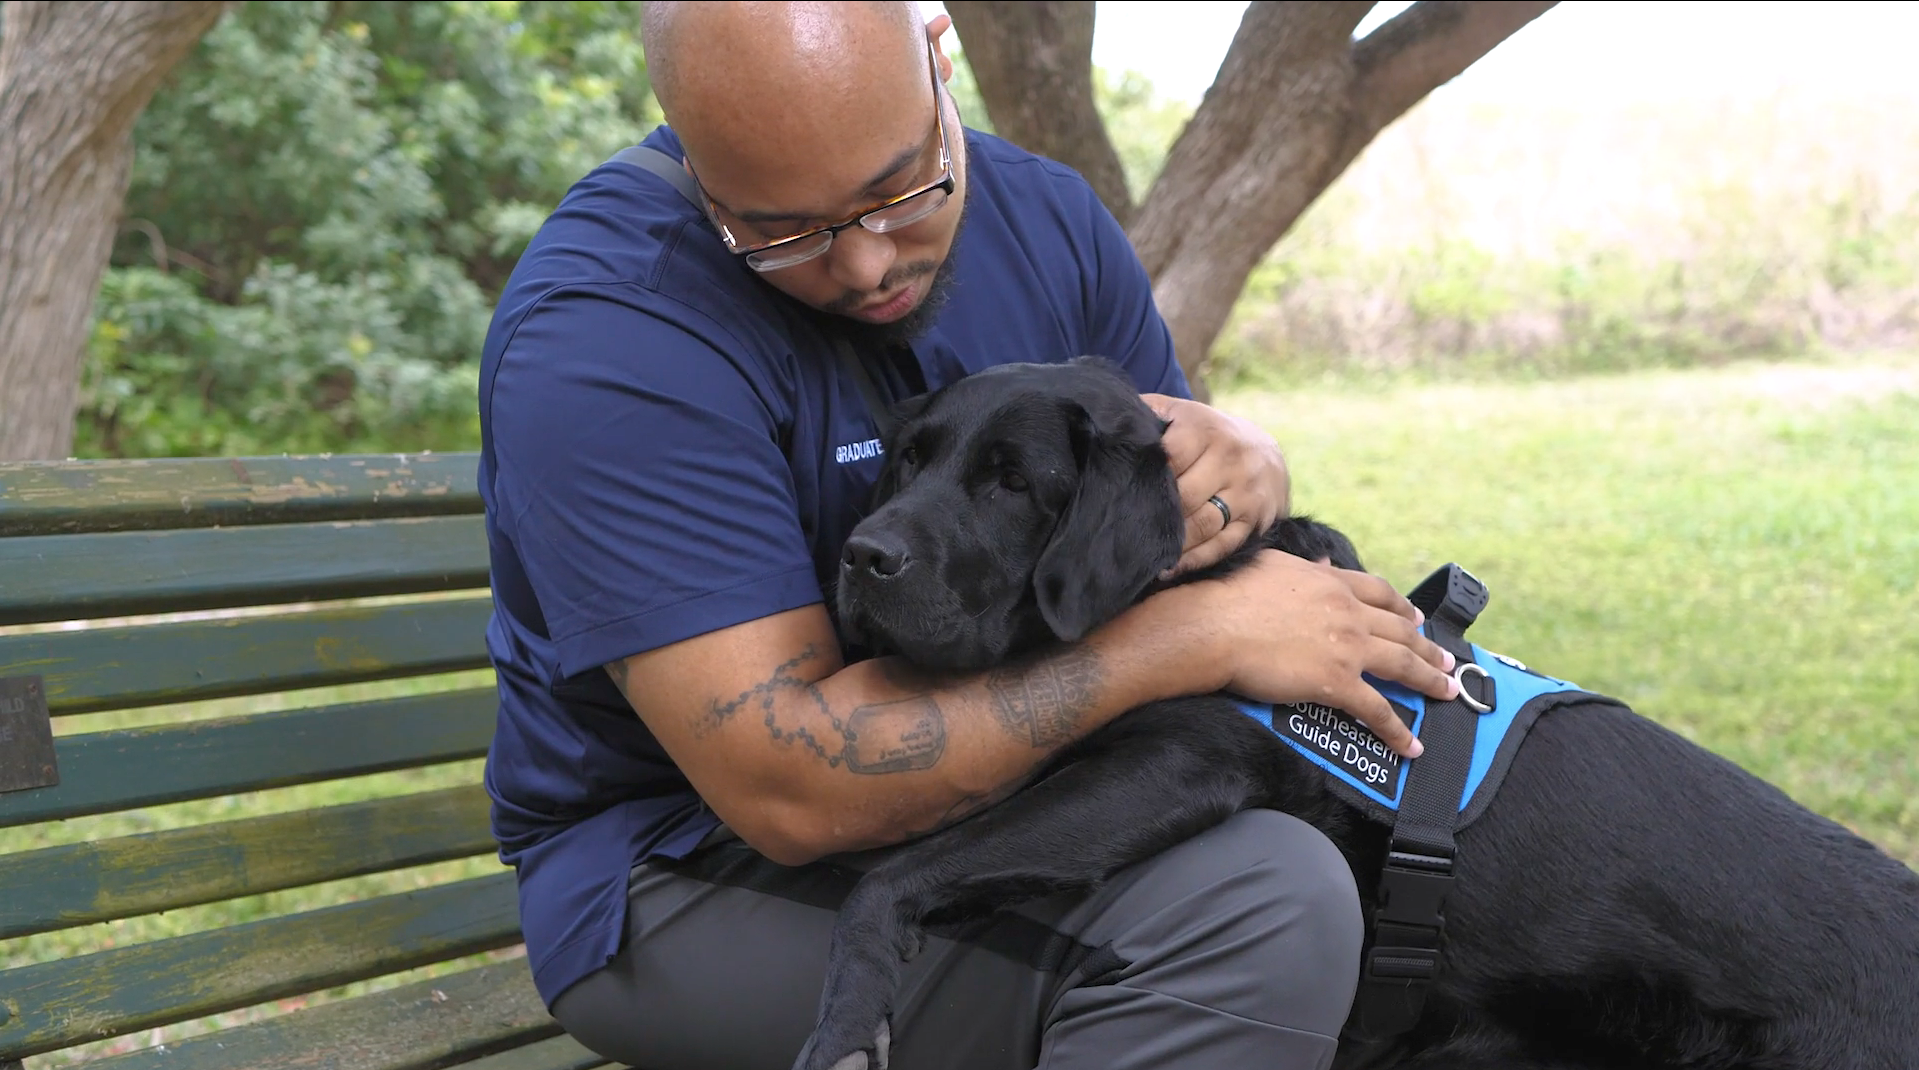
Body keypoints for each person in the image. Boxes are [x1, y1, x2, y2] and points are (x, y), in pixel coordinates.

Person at [477, 3, 1461, 1068]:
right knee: (1258, 904)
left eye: (898, 190)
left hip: (1012, 788)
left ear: (938, 57)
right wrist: (1197, 637)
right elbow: (788, 785)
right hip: (677, 866)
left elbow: (1158, 552)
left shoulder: (1049, 223)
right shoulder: (611, 334)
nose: (864, 265)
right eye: (779, 229)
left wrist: (1246, 470)